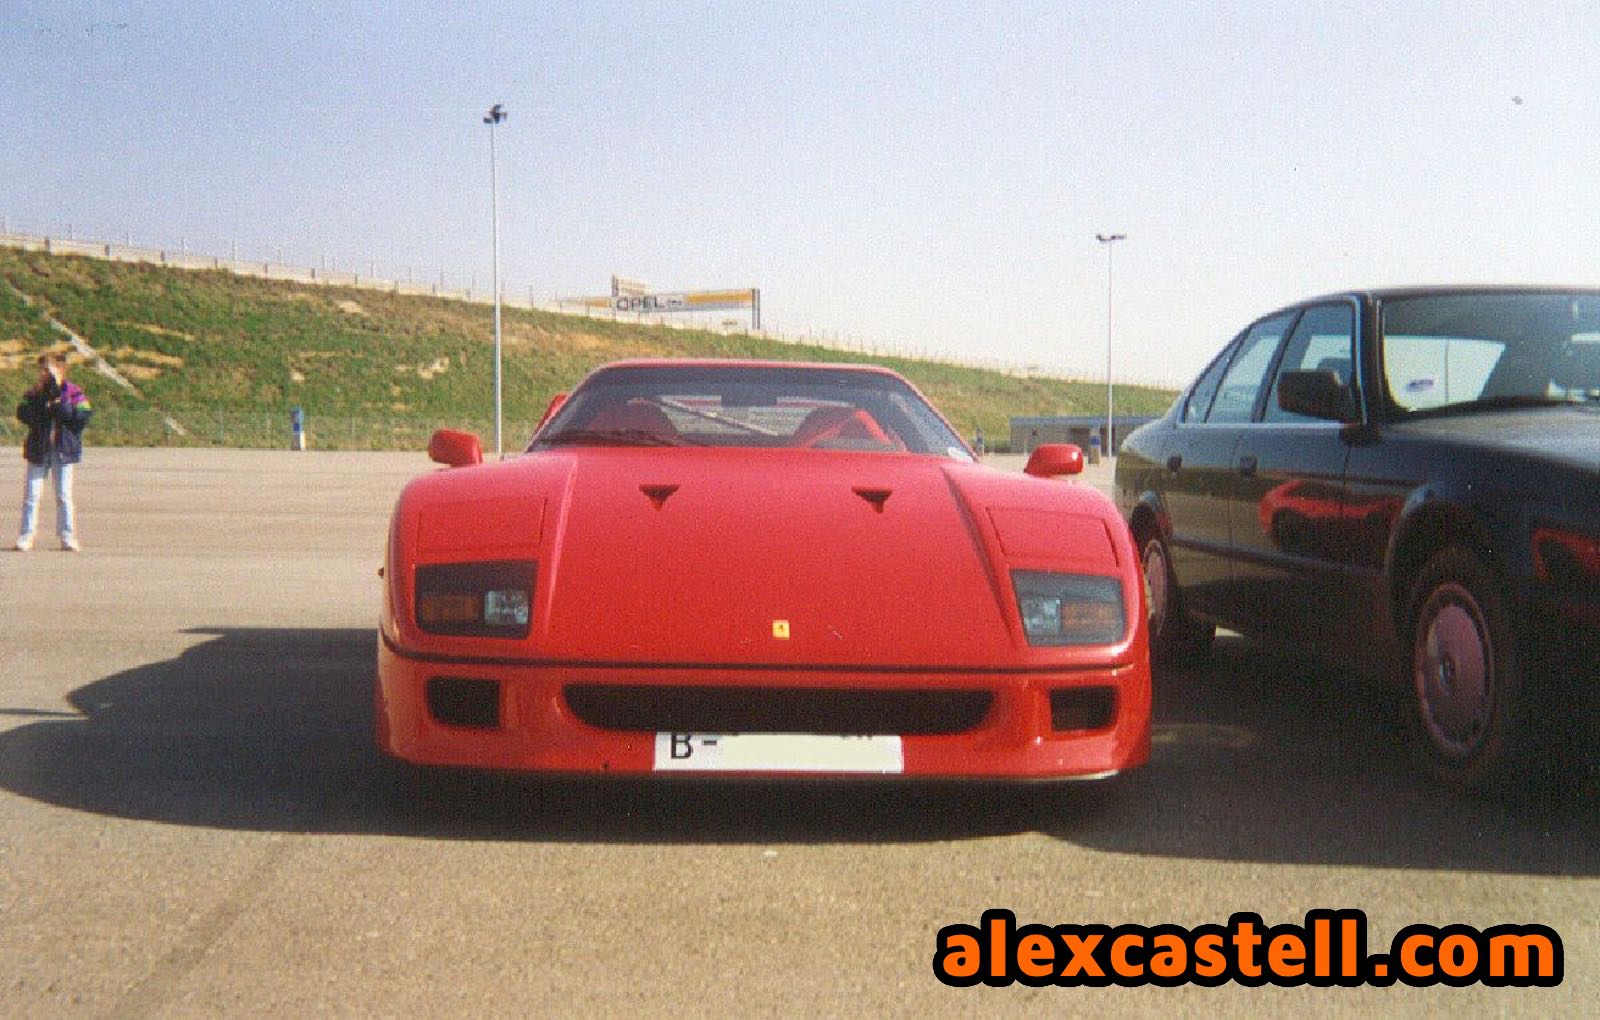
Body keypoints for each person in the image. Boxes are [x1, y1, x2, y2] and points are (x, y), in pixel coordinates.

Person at [15, 352, 92, 551]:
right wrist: (42, 399)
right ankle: (26, 535)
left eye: (47, 370)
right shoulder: (34, 393)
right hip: (39, 450)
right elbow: (23, 414)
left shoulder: (74, 392)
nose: (43, 374)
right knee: (32, 495)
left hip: (62, 451)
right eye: (41, 370)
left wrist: (59, 399)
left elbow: (80, 417)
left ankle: (67, 536)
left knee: (63, 495)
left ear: (60, 369)